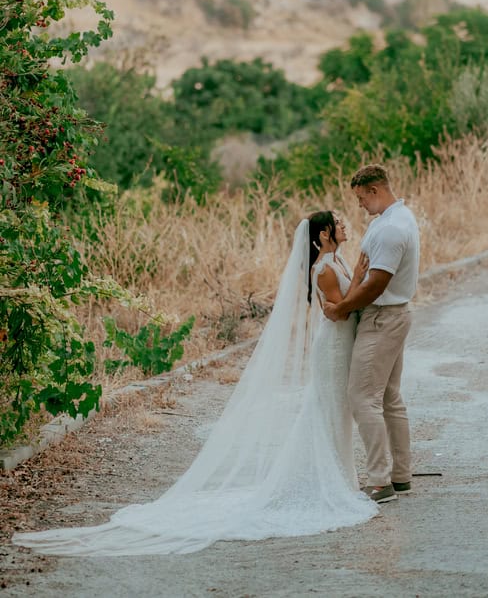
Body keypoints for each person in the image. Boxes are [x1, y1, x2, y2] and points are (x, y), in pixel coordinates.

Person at [12, 212, 378, 557]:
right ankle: (330, 482)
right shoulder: (325, 269)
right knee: (328, 410)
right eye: (337, 223)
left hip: (340, 345)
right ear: (323, 235)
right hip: (331, 348)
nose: (344, 225)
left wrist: (358, 274)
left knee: (336, 411)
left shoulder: (338, 262)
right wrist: (361, 277)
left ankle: (341, 478)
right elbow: (341, 308)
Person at [323, 164, 419, 505]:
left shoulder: (391, 228)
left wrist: (342, 309)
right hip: (395, 316)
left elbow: (377, 284)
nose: (360, 204)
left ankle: (380, 482)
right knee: (390, 398)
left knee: (362, 398)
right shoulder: (396, 219)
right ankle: (401, 475)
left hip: (381, 319)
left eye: (362, 197)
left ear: (376, 190)